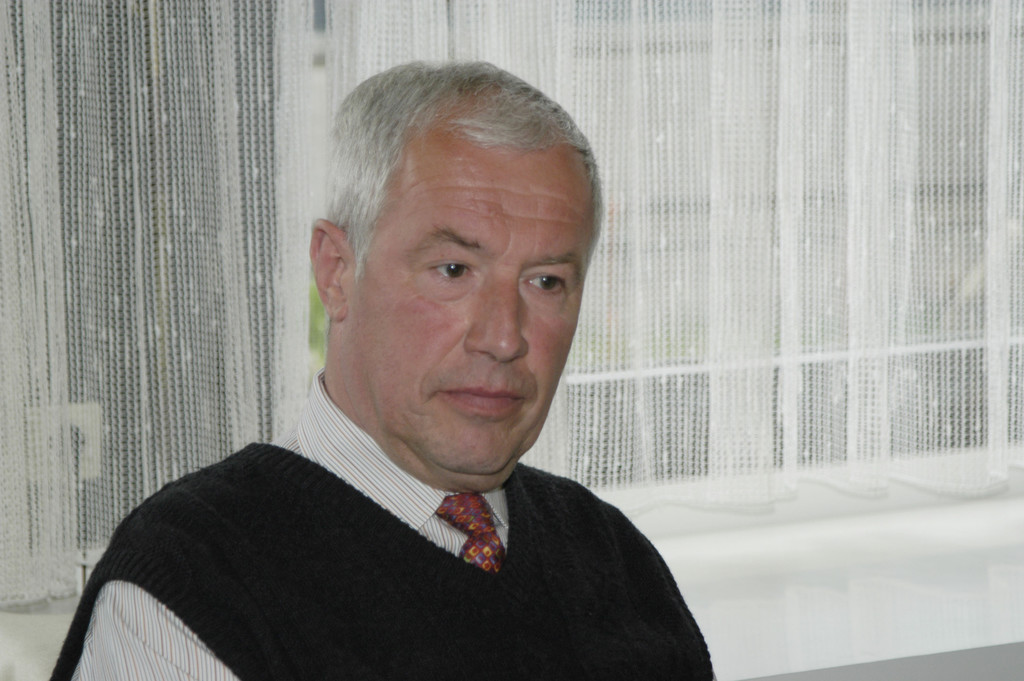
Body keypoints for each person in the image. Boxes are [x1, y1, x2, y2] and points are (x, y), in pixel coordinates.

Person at [51, 61, 713, 680]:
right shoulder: (188, 589)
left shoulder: (615, 559)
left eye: (545, 281)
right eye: (453, 270)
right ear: (336, 272)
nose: (504, 337)